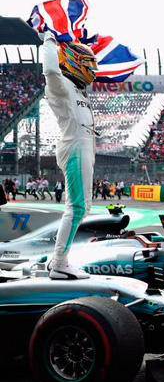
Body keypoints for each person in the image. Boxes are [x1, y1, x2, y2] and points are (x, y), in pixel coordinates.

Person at [40, 30, 98, 280]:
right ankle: (60, 263)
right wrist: (50, 41)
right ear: (75, 62)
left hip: (83, 145)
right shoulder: (61, 85)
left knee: (83, 207)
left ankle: (57, 260)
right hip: (75, 145)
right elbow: (50, 70)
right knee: (76, 207)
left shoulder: (76, 88)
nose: (93, 70)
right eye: (89, 64)